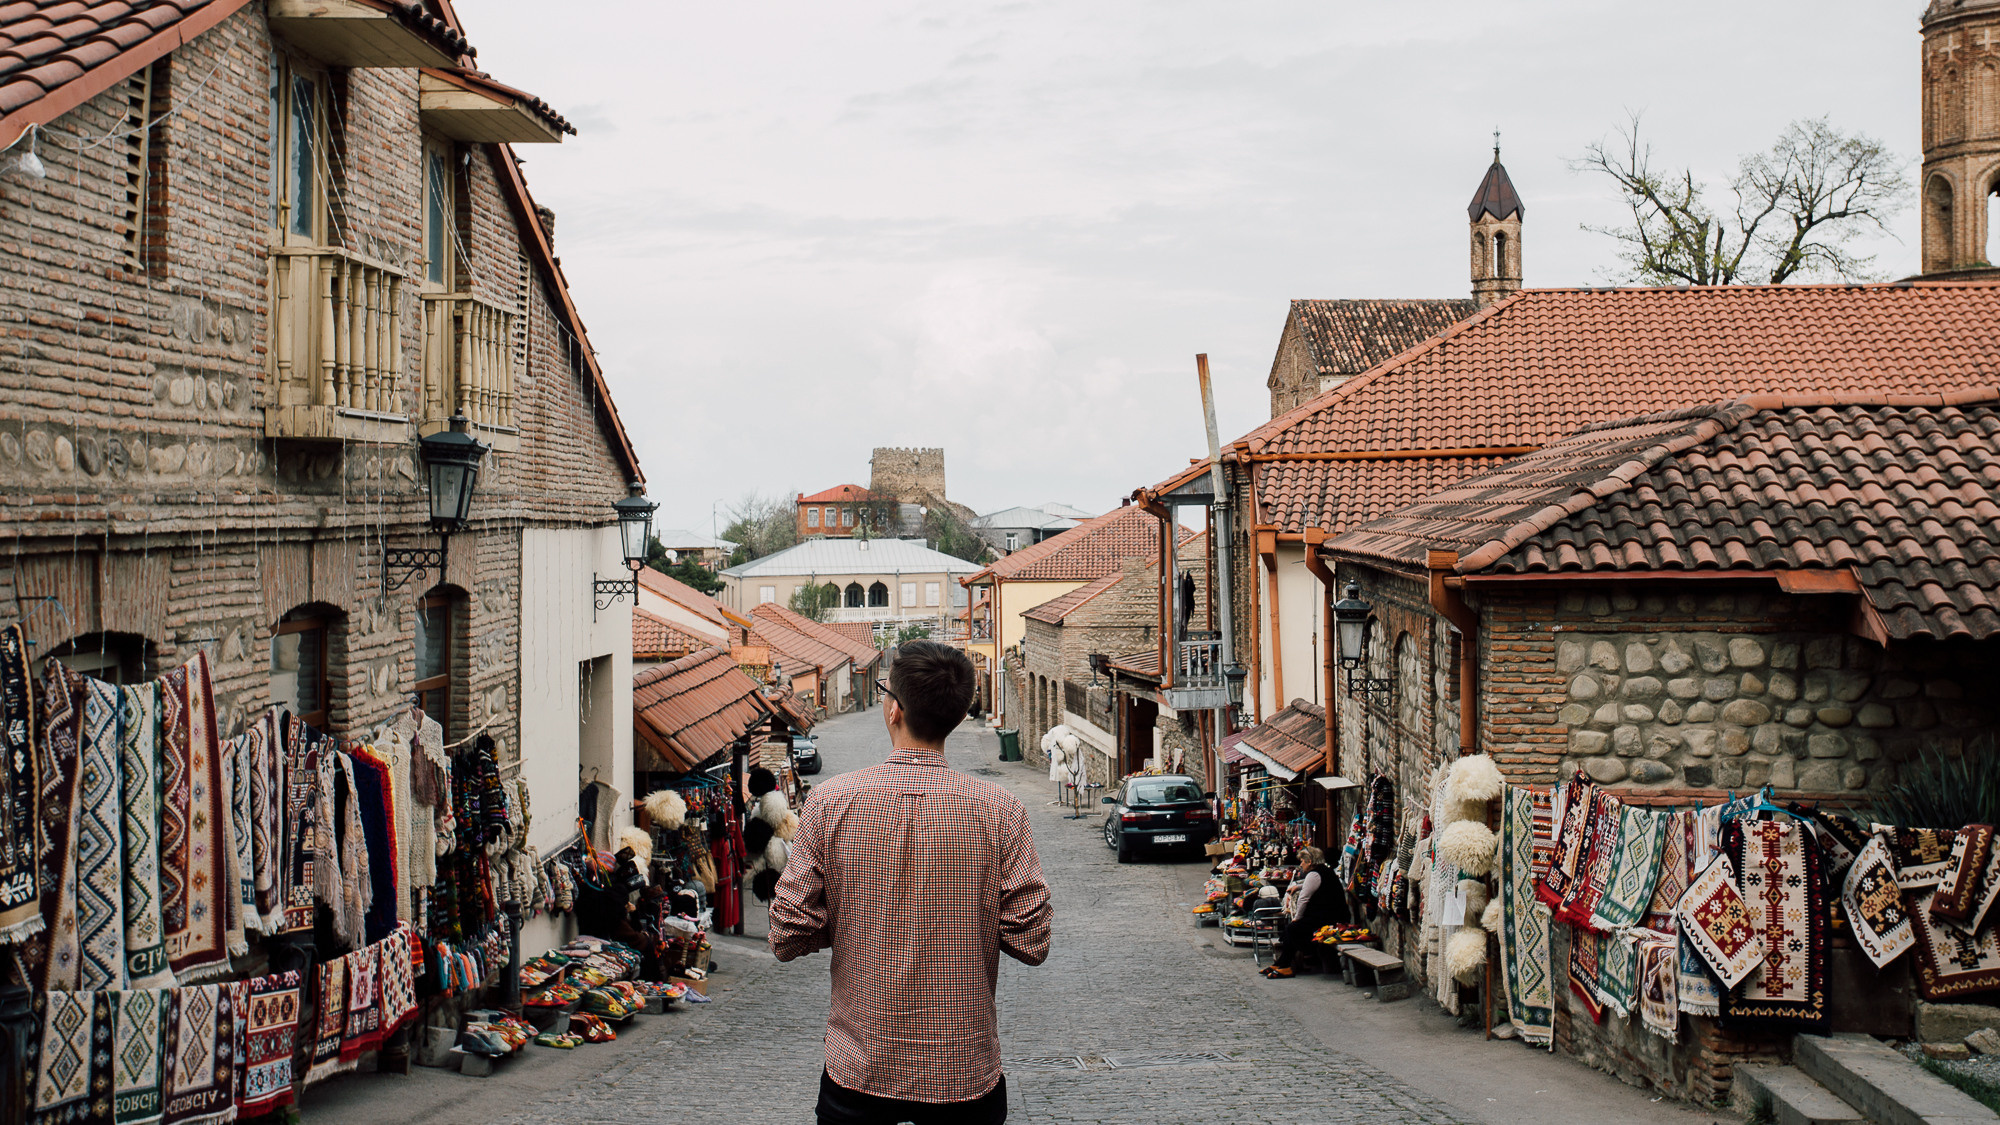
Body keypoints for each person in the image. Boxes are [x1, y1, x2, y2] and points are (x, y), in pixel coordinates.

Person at [769, 640, 1054, 1125]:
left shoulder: (831, 802)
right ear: (960, 716)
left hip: (861, 1067)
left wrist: (846, 923)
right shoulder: (1000, 810)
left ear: (893, 709)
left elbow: (785, 934)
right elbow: (1033, 941)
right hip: (963, 1073)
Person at [1262, 846, 1346, 979]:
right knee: (1292, 929)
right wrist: (1298, 886)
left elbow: (1303, 899)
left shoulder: (1314, 874)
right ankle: (1282, 963)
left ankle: (1285, 966)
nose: (1301, 864)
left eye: (1302, 861)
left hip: (1329, 919)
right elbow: (1312, 884)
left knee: (1293, 928)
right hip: (1333, 915)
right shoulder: (1323, 871)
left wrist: (1298, 917)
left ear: (1310, 861)